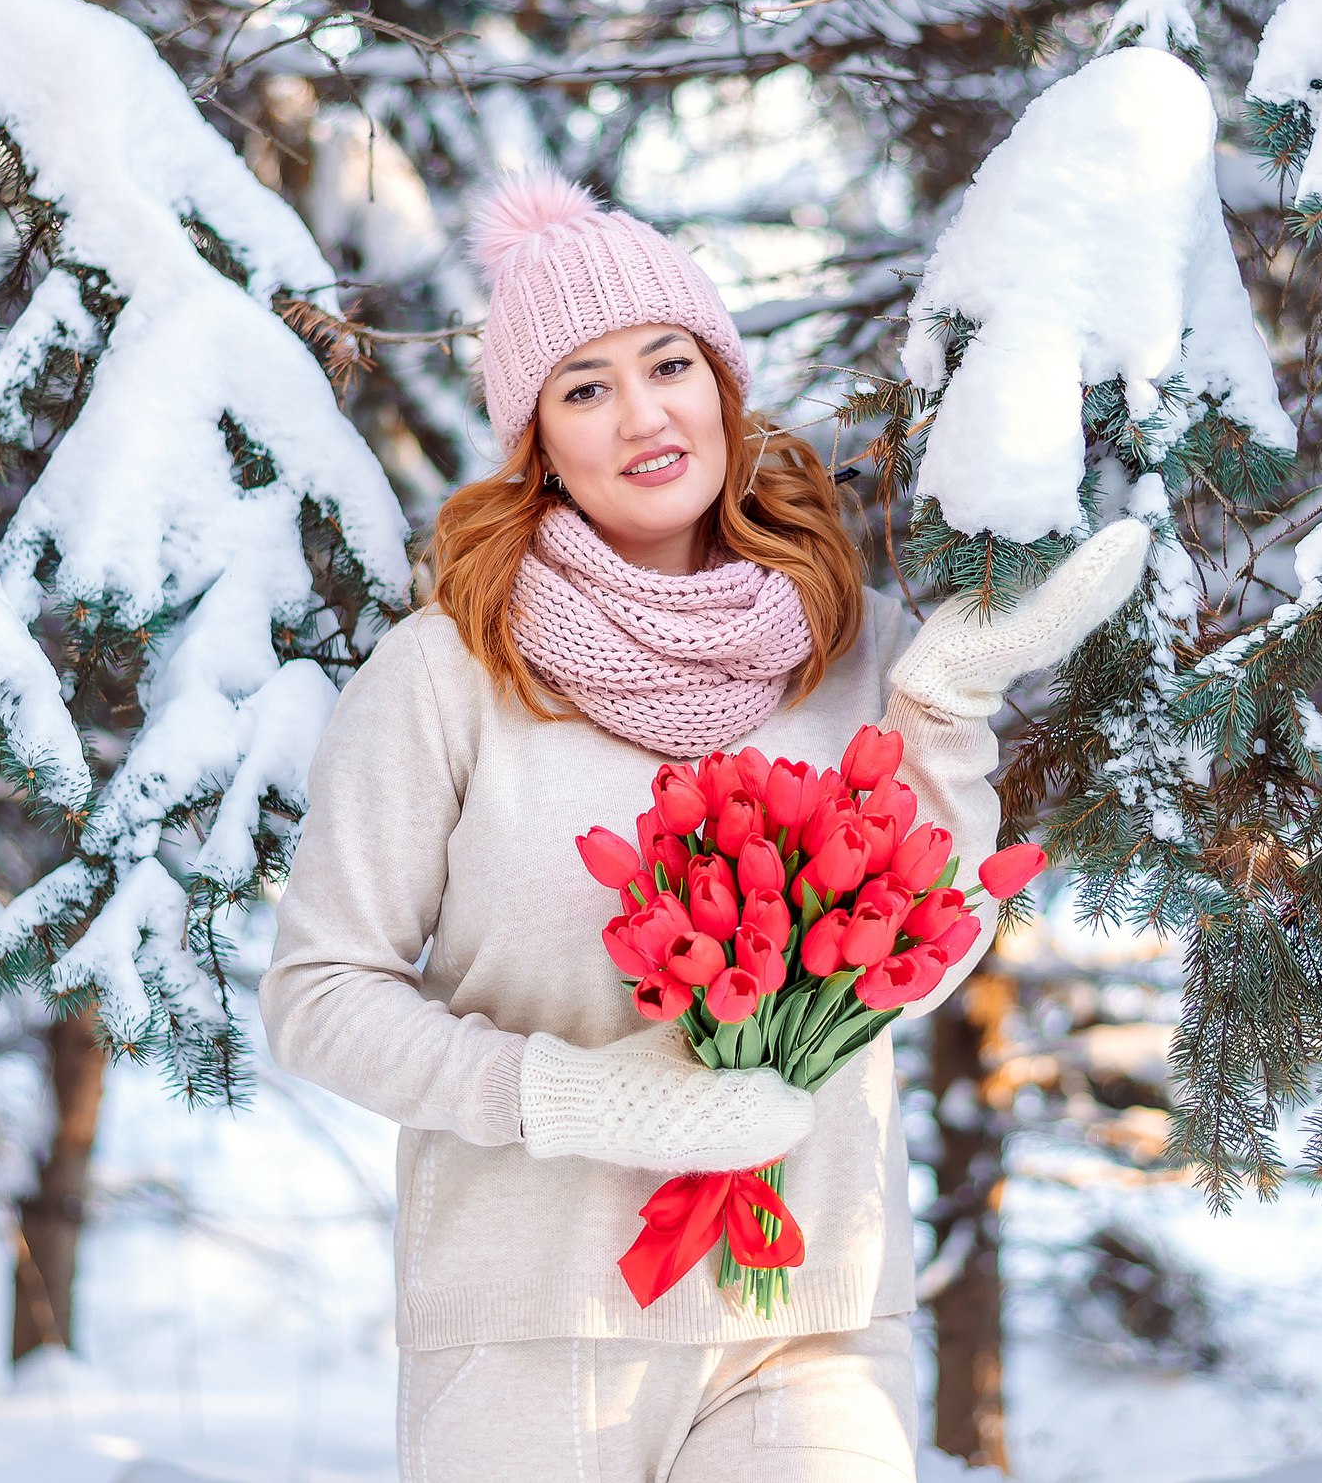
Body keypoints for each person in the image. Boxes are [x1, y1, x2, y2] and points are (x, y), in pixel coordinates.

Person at [260, 172, 1147, 1482]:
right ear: (538, 441)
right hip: (530, 1319)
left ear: (720, 383)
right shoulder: (448, 674)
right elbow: (319, 993)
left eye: (667, 362)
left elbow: (924, 952)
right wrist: (565, 1091)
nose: (642, 413)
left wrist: (945, 715)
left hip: (810, 1306)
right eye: (584, 386)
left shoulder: (853, 653)